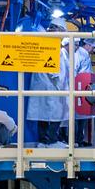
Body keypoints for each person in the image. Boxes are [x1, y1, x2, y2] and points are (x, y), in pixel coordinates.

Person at [27, 17, 73, 145]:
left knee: (48, 114)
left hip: (50, 87)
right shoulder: (50, 46)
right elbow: (53, 72)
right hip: (51, 87)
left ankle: (48, 140)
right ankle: (48, 141)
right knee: (52, 114)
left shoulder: (57, 48)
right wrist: (61, 87)